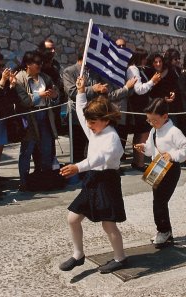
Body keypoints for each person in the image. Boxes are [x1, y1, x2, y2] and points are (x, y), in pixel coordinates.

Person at [59, 76, 127, 274]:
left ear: (105, 120)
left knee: (108, 224)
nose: (88, 125)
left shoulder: (112, 137)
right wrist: (81, 92)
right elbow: (81, 114)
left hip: (107, 181)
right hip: (92, 180)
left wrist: (77, 167)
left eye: (93, 122)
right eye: (89, 122)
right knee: (72, 218)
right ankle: (78, 254)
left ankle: (120, 258)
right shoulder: (96, 130)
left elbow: (98, 159)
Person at [134, 98, 186, 247]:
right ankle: (165, 231)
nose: (152, 124)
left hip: (171, 168)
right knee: (157, 201)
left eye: (154, 120)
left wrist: (172, 155)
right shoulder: (154, 130)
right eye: (149, 121)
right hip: (157, 166)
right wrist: (144, 147)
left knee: (160, 201)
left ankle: (164, 231)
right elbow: (150, 148)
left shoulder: (174, 131)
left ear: (165, 116)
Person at [15, 50, 59, 191]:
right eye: (37, 63)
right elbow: (24, 101)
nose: (40, 65)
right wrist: (40, 95)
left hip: (45, 115)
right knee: (27, 150)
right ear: (28, 64)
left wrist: (53, 95)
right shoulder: (20, 78)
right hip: (30, 117)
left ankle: (45, 180)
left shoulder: (45, 78)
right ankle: (24, 181)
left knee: (47, 149)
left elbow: (57, 96)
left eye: (41, 63)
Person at [126, 49, 161, 171]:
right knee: (142, 134)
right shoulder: (133, 69)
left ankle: (138, 161)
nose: (146, 60)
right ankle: (139, 162)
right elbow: (139, 89)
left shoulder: (140, 69)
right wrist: (152, 81)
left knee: (142, 134)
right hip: (138, 105)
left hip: (143, 104)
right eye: (144, 58)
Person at [0, 52, 18, 200]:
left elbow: (8, 99)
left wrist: (12, 85)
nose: (2, 69)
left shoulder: (0, 79)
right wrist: (2, 82)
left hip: (1, 118)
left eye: (3, 66)